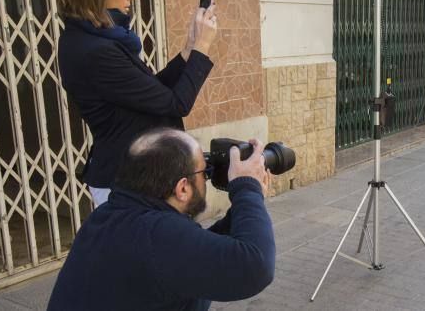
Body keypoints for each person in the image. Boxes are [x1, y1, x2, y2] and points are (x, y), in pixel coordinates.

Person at [54, 0, 217, 206]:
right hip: (122, 183)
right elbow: (174, 103)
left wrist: (189, 50)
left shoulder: (97, 39)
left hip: (134, 177)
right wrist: (202, 47)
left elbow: (152, 92)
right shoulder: (95, 50)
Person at [47, 128, 275, 310]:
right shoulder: (158, 235)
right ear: (182, 188)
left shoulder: (108, 216)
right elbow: (256, 266)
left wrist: (241, 210)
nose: (206, 180)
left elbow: (191, 255)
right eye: (203, 172)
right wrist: (247, 188)